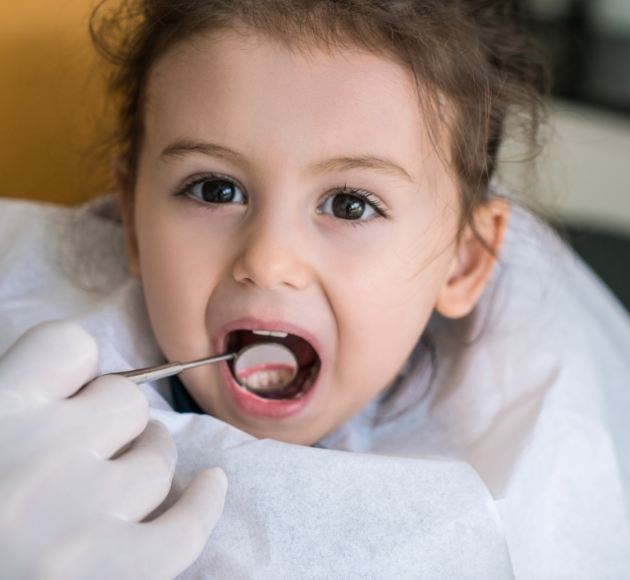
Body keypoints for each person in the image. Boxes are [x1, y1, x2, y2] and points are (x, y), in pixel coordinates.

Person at [1, 0, 629, 578]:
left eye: (350, 204)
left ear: (462, 265)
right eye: (215, 189)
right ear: (133, 223)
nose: (269, 261)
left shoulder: (542, 464)